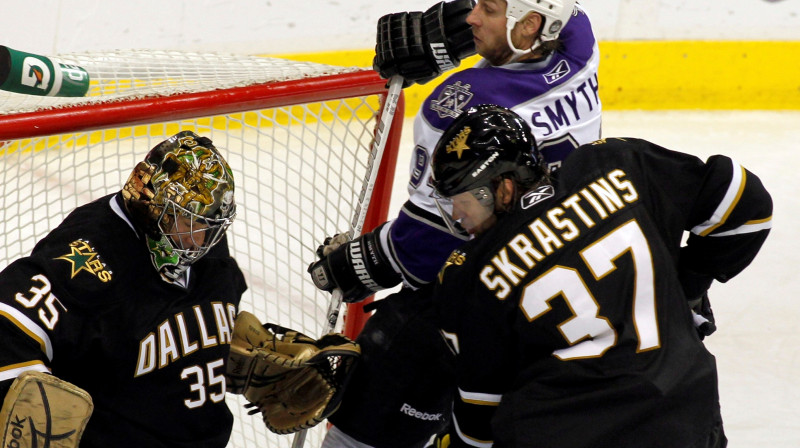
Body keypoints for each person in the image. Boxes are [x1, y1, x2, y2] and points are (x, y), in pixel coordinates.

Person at [309, 1, 602, 447]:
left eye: (486, 8)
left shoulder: (458, 105)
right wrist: (464, 36)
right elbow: (569, 16)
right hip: (565, 288)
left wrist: (365, 261)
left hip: (480, 293)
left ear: (530, 24)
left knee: (379, 394)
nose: (469, 17)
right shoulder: (581, 52)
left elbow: (430, 243)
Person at [428, 104, 773, 447]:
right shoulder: (614, 164)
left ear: (503, 189)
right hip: (685, 418)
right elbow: (747, 204)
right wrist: (689, 286)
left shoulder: (469, 274)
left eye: (463, 198)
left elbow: (478, 423)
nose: (457, 214)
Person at [0, 131, 247, 447]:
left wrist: (233, 350)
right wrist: (32, 413)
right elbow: (9, 326)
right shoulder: (91, 254)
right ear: (153, 205)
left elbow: (196, 318)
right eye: (188, 222)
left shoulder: (196, 241)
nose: (200, 242)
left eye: (209, 227)